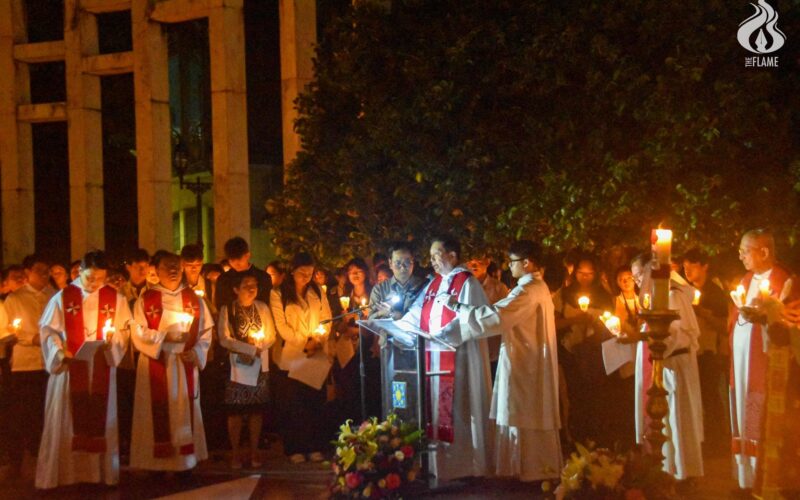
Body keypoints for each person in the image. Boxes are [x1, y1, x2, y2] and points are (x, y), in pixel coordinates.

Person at [439, 240, 562, 482]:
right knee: (524, 411)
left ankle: (529, 471)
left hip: (525, 362)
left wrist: (459, 307)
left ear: (526, 263)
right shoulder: (536, 287)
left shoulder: (527, 290)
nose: (508, 267)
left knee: (523, 411)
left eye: (512, 262)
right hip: (525, 357)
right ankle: (528, 470)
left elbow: (497, 317)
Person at [395, 236, 492, 481]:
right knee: (437, 413)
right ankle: (440, 467)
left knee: (459, 409)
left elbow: (471, 320)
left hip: (459, 359)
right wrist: (395, 326)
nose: (432, 261)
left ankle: (465, 466)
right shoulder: (434, 283)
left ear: (452, 255)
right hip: (433, 358)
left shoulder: (467, 283)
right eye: (431, 256)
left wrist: (437, 336)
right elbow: (417, 313)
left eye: (437, 254)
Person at [35, 251, 132, 489]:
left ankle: (101, 475)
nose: (94, 283)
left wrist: (113, 344)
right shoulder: (63, 297)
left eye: (99, 278)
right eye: (90, 278)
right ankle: (64, 476)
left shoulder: (115, 299)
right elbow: (48, 331)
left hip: (100, 367)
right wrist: (59, 352)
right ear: (80, 272)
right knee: (67, 419)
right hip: (70, 369)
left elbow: (123, 331)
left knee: (100, 416)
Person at [130, 251, 213, 472]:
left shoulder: (194, 298)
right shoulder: (147, 299)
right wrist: (161, 338)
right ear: (156, 270)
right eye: (168, 266)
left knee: (183, 412)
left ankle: (186, 462)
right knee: (155, 413)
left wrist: (196, 352)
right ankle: (156, 464)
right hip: (157, 362)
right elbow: (137, 331)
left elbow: (206, 332)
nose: (174, 270)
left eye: (177, 266)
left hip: (184, 362)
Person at [630, 254, 704, 482]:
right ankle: (664, 469)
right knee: (665, 420)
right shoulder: (655, 295)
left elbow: (679, 333)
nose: (637, 282)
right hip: (662, 364)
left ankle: (682, 473)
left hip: (673, 366)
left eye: (640, 275)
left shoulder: (672, 294)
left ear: (652, 271)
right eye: (634, 278)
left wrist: (654, 343)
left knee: (676, 420)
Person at [729, 229, 793, 494]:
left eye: (746, 250)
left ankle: (759, 477)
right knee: (741, 414)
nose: (741, 256)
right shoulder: (745, 279)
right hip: (740, 361)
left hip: (763, 360)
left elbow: (788, 324)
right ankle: (742, 478)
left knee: (757, 412)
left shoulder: (785, 280)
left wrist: (768, 315)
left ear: (764, 252)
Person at [269, 252, 332, 464]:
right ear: (292, 271)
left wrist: (318, 340)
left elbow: (326, 318)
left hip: (315, 353)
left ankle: (314, 445)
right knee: (293, 404)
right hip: (291, 355)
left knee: (313, 402)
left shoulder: (317, 291)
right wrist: (304, 341)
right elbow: (281, 326)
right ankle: (294, 447)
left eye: (310, 273)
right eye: (302, 273)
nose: (306, 277)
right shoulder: (278, 293)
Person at [4, 254, 56, 479]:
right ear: (27, 273)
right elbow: (8, 328)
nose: (44, 276)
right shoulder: (15, 298)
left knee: (45, 413)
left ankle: (43, 457)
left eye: (47, 272)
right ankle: (17, 460)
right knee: (23, 413)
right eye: (39, 271)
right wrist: (30, 337)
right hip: (25, 365)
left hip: (49, 363)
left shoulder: (54, 296)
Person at [552, 255, 613, 445]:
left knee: (595, 396)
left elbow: (612, 324)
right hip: (571, 353)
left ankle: (597, 439)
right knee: (574, 395)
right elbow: (554, 323)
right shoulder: (564, 295)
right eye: (581, 272)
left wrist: (597, 324)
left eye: (589, 273)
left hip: (596, 352)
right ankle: (575, 438)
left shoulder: (603, 296)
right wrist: (575, 320)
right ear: (574, 272)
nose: (585, 277)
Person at [218, 273, 276, 469]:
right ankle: (235, 453)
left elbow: (270, 334)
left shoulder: (262, 307)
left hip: (259, 365)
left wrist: (258, 347)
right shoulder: (228, 309)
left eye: (254, 285)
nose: (251, 288)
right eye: (246, 285)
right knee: (235, 412)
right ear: (236, 289)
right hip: (237, 366)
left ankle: (254, 452)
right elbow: (224, 338)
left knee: (255, 411)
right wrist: (248, 349)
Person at [682, 248, 729, 455]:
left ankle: (717, 442)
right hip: (691, 351)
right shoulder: (685, 291)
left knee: (710, 397)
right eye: (684, 267)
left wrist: (704, 314)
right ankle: (700, 441)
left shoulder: (715, 292)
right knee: (695, 398)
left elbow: (724, 325)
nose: (687, 271)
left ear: (704, 266)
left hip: (709, 351)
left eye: (692, 266)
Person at [332, 258, 373, 422]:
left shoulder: (373, 295)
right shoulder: (345, 297)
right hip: (347, 348)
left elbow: (373, 325)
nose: (354, 275)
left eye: (358, 271)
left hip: (366, 348)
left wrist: (356, 329)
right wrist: (344, 320)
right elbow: (337, 326)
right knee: (346, 386)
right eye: (350, 272)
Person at [467, 253, 509, 380]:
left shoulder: (499, 289)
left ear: (487, 261)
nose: (474, 263)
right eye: (470, 259)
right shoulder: (464, 287)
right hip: (471, 354)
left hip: (492, 354)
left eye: (478, 259)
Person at [369, 242, 427, 320]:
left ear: (413, 262)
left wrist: (393, 314)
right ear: (390, 263)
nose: (402, 267)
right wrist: (381, 313)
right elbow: (370, 320)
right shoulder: (379, 290)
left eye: (407, 262)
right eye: (398, 263)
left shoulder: (424, 286)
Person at [214, 237, 271, 312]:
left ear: (248, 255)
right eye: (232, 260)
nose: (236, 263)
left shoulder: (263, 277)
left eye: (239, 259)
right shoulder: (223, 279)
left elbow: (265, 304)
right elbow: (220, 306)